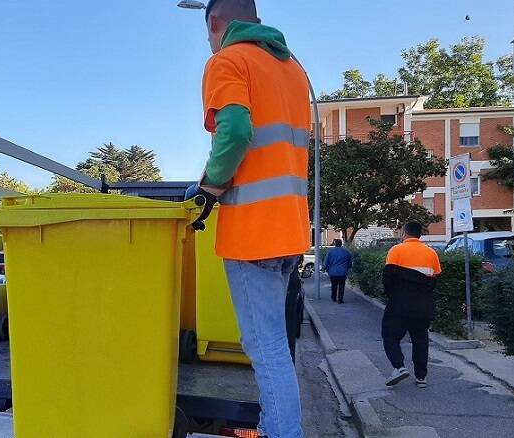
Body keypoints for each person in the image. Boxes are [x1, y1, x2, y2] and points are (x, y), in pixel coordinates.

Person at [185, 1, 310, 436]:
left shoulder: (227, 60)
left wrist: (208, 191)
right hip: (290, 229)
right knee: (276, 346)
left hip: (252, 234)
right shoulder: (293, 69)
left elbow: (235, 131)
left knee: (267, 349)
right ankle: (272, 424)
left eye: (207, 34)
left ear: (216, 24)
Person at [381, 221, 441, 389]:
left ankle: (399, 367)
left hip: (399, 305)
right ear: (419, 234)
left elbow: (388, 277)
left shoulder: (396, 250)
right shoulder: (432, 253)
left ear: (404, 234)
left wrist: (392, 296)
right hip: (423, 306)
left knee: (390, 336)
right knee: (420, 340)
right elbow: (435, 277)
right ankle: (421, 377)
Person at [323, 239, 352, 304]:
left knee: (334, 285)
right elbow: (350, 262)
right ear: (341, 244)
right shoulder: (346, 252)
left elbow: (326, 261)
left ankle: (333, 297)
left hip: (332, 272)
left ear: (335, 244)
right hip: (342, 272)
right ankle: (340, 299)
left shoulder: (330, 252)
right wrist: (348, 268)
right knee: (341, 286)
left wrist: (325, 268)